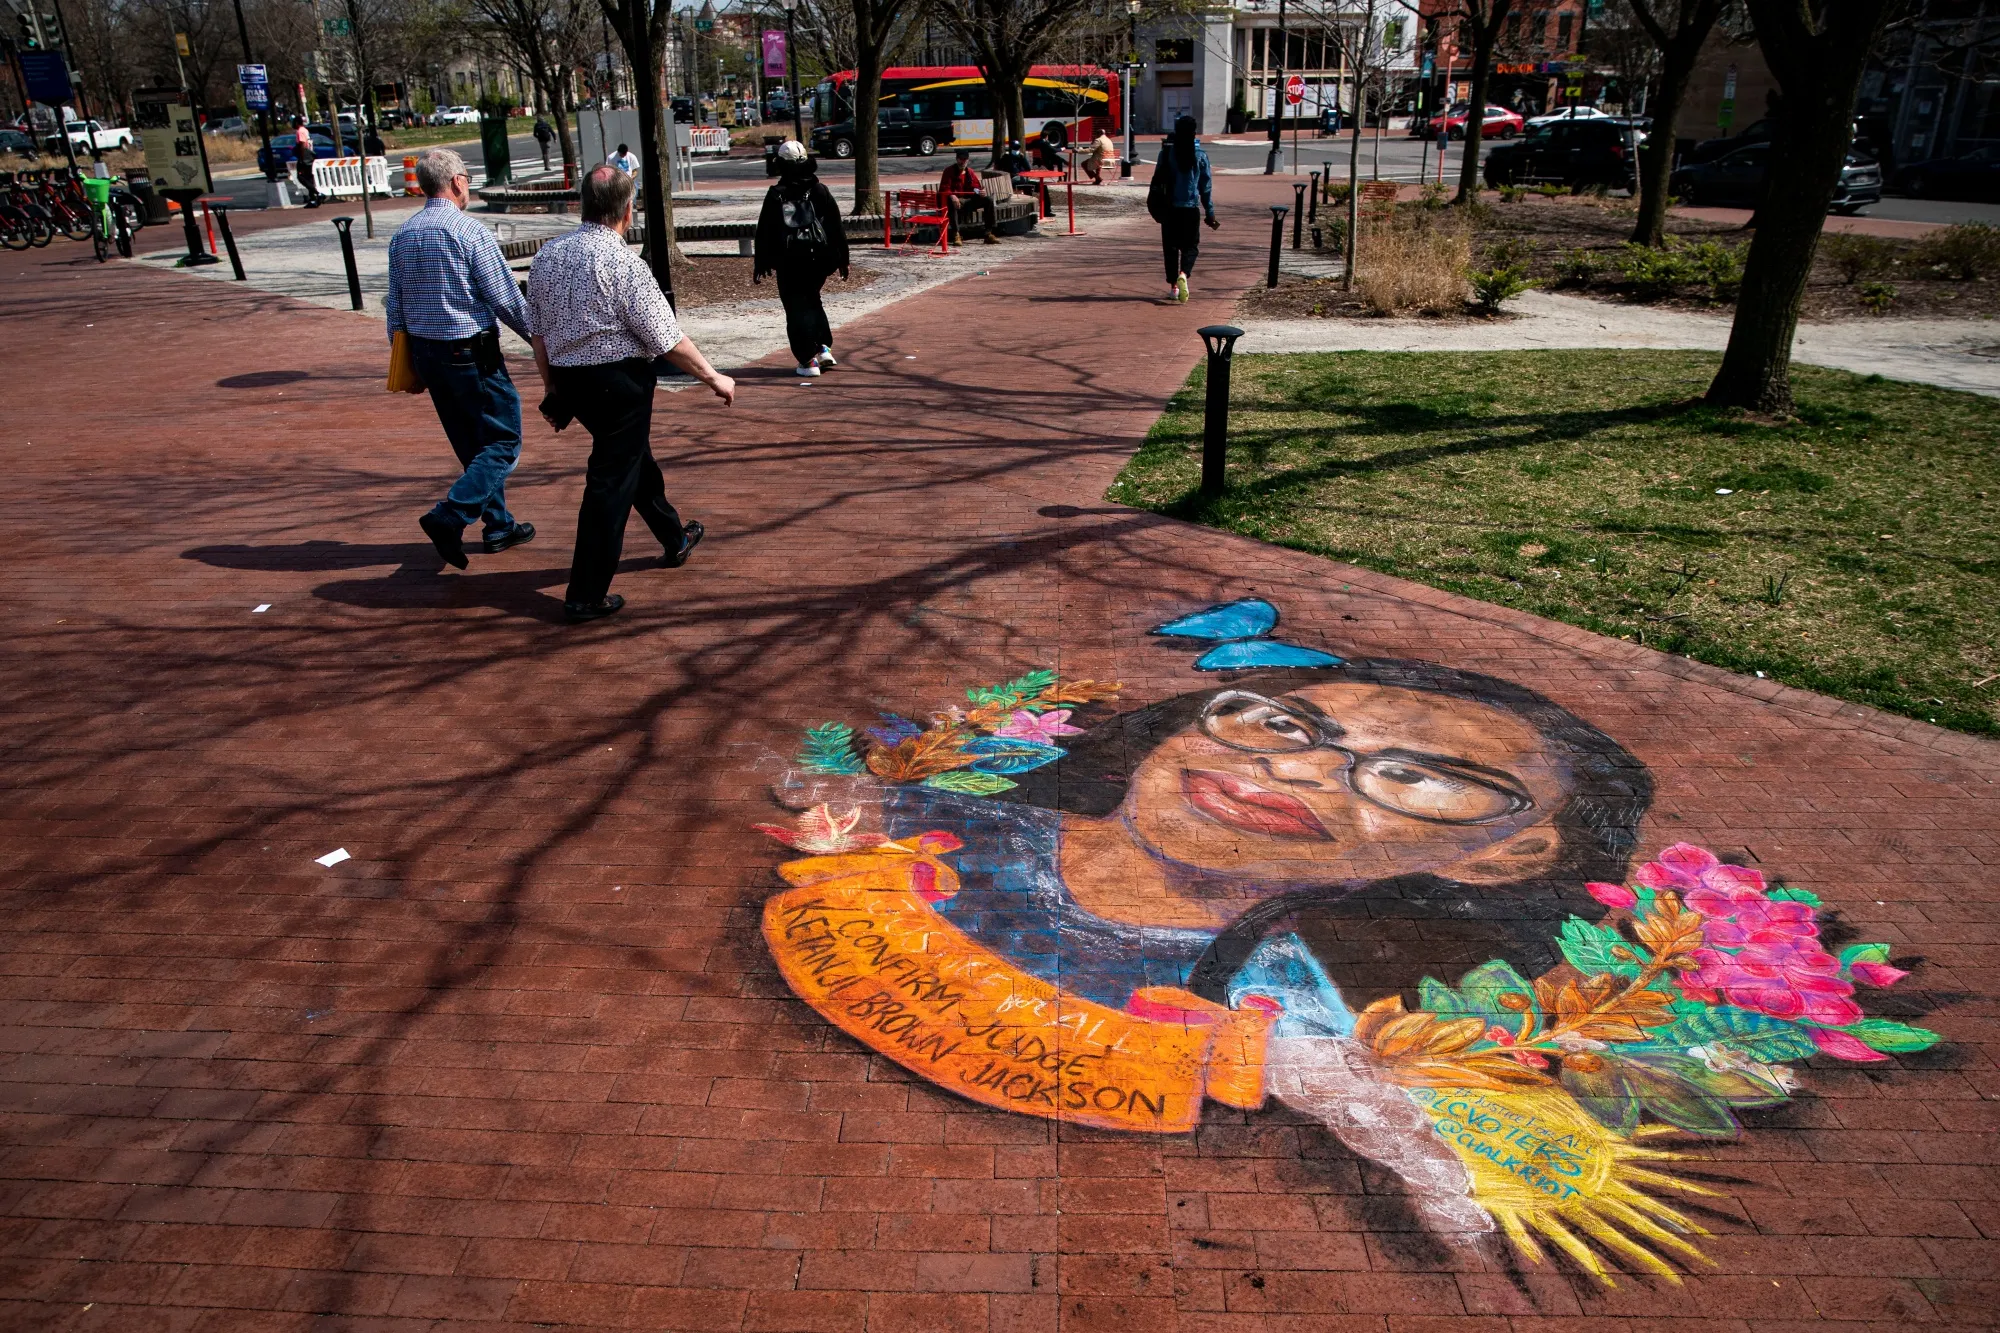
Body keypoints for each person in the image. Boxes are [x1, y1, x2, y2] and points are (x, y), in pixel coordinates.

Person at [528, 163, 735, 624]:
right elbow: (668, 339)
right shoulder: (624, 263)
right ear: (628, 210)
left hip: (572, 381)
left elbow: (538, 334)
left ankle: (674, 538)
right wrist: (714, 377)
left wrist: (552, 388)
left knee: (630, 459)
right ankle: (585, 594)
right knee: (610, 481)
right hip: (618, 385)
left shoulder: (547, 257)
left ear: (583, 205)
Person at [386, 148, 538, 570]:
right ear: (456, 182)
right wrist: (542, 342)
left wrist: (406, 361)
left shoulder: (403, 235)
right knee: (503, 441)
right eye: (467, 178)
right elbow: (506, 299)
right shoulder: (469, 232)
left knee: (472, 444)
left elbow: (395, 307)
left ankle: (499, 525)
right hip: (470, 352)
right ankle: (451, 515)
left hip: (426, 352)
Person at [753, 140, 848, 378]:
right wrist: (842, 259)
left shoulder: (776, 194)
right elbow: (836, 227)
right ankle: (823, 348)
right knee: (813, 300)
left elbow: (765, 231)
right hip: (819, 259)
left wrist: (761, 263)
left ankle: (807, 360)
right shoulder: (820, 190)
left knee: (795, 308)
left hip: (789, 260)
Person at [1148, 114, 1216, 303]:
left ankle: (1174, 288)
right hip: (1190, 209)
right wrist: (1210, 212)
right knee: (1191, 247)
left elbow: (1157, 180)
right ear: (1194, 133)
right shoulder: (1201, 156)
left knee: (1170, 249)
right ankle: (1184, 274)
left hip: (1169, 208)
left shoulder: (1166, 154)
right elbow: (1206, 187)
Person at [939, 148, 998, 246]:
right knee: (951, 202)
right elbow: (944, 188)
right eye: (961, 159)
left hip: (968, 201)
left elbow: (975, 187)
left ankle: (988, 233)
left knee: (988, 200)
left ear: (968, 160)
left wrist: (980, 192)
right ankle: (956, 234)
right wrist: (952, 195)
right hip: (955, 202)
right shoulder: (949, 171)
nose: (963, 162)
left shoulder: (970, 172)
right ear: (957, 159)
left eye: (965, 159)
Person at [291, 117, 322, 207]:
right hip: (309, 155)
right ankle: (313, 199)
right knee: (309, 178)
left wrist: (301, 157)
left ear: (297, 123)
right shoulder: (305, 130)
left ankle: (318, 193)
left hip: (305, 157)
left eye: (293, 122)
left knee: (301, 177)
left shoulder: (300, 131)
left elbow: (302, 143)